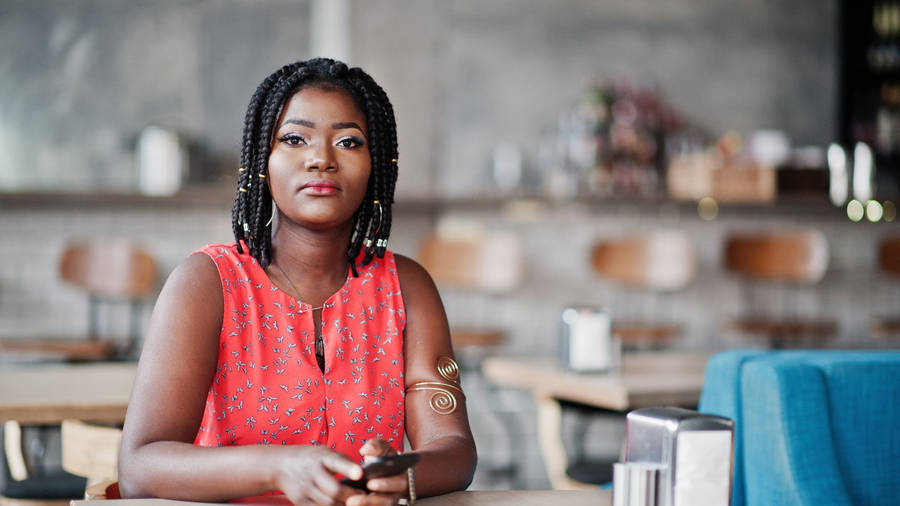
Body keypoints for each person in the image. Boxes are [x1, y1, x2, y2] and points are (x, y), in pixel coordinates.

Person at [118, 58, 477, 505]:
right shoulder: (207, 283)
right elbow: (140, 468)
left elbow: (455, 449)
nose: (321, 159)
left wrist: (399, 478)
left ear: (376, 165)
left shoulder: (408, 287)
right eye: (294, 139)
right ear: (261, 162)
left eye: (349, 141)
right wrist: (278, 466)